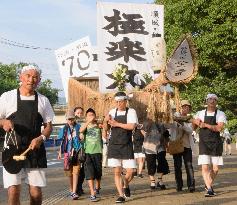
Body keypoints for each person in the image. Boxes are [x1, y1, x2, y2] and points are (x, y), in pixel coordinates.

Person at [0, 65, 54, 205]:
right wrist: (3, 122)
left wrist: (41, 138)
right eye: (28, 76)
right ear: (21, 78)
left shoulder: (43, 100)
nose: (31, 79)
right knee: (13, 190)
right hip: (12, 150)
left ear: (39, 80)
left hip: (35, 150)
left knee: (35, 193)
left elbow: (49, 126)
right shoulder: (7, 97)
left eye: (35, 77)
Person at [104, 91, 138, 203]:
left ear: (125, 101)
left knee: (131, 171)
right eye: (116, 101)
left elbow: (132, 126)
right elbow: (106, 128)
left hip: (127, 144)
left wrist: (117, 124)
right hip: (114, 145)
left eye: (120, 101)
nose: (118, 104)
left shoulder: (131, 111)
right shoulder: (112, 112)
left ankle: (126, 184)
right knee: (117, 172)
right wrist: (105, 120)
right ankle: (121, 195)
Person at [193, 94, 226, 197]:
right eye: (210, 99)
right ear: (206, 101)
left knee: (215, 169)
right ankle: (210, 189)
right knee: (205, 167)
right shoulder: (200, 113)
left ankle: (208, 185)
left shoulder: (220, 113)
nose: (212, 101)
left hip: (216, 143)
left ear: (216, 102)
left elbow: (219, 128)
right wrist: (195, 121)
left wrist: (205, 125)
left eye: (214, 99)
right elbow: (193, 128)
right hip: (203, 142)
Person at [141, 111, 169, 190]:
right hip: (149, 145)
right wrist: (146, 136)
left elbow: (167, 129)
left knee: (162, 162)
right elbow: (142, 129)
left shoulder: (161, 120)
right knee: (151, 163)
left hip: (160, 145)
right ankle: (152, 181)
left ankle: (160, 180)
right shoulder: (147, 121)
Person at [58, 109, 82, 200]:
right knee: (69, 173)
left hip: (77, 152)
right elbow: (61, 141)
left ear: (75, 118)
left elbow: (82, 139)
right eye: (68, 119)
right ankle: (71, 190)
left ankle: (74, 192)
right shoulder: (64, 129)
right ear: (66, 119)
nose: (70, 121)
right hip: (67, 153)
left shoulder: (79, 127)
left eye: (72, 119)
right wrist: (60, 152)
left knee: (76, 172)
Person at [80, 108, 103, 202]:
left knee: (98, 172)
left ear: (95, 116)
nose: (91, 117)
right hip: (88, 152)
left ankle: (98, 187)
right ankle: (92, 193)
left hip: (98, 152)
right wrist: (88, 122)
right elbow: (81, 130)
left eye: (92, 115)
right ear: (86, 117)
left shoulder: (98, 125)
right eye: (89, 115)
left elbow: (105, 131)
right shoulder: (84, 125)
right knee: (90, 173)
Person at [172, 100, 195, 192]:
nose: (186, 108)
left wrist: (181, 122)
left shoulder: (190, 118)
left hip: (187, 145)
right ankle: (179, 185)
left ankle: (191, 185)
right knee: (177, 166)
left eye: (188, 107)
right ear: (180, 107)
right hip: (176, 145)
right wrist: (175, 119)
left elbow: (190, 130)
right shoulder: (174, 116)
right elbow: (168, 126)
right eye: (184, 106)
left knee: (189, 165)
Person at [74, 106, 85, 196]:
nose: (79, 115)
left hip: (84, 148)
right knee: (76, 170)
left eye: (81, 113)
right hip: (75, 150)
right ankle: (75, 189)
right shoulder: (73, 124)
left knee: (83, 170)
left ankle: (79, 187)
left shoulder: (85, 123)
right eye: (78, 113)